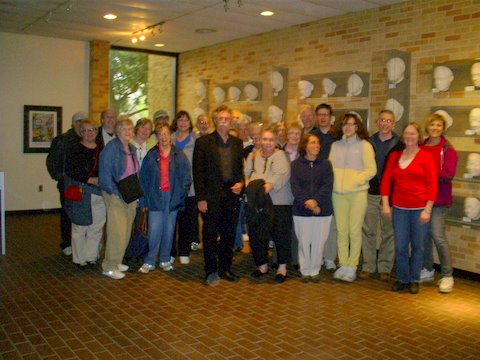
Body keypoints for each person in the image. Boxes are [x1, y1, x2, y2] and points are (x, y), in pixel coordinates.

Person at [381, 122, 438, 294]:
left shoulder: (426, 156)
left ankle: (414, 279)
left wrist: (427, 209)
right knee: (400, 246)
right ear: (403, 136)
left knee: (418, 246)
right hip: (399, 208)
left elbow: (432, 185)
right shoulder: (395, 156)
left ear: (418, 136)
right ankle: (402, 278)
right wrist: (385, 204)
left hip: (420, 209)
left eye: (413, 134)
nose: (409, 137)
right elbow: (385, 181)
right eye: (406, 134)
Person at [193, 105, 244, 285]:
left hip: (231, 196)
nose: (223, 122)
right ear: (215, 121)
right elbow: (197, 173)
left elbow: (239, 170)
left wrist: (241, 184)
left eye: (226, 119)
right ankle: (210, 271)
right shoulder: (203, 143)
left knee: (229, 235)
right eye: (220, 119)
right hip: (211, 197)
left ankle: (225, 268)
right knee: (210, 235)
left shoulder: (237, 143)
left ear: (231, 121)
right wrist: (201, 198)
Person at [329, 113, 376, 282]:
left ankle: (352, 266)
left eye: (352, 124)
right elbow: (330, 169)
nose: (348, 127)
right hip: (338, 194)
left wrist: (356, 180)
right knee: (342, 231)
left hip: (357, 194)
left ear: (357, 127)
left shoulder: (364, 146)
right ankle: (343, 264)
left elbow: (371, 170)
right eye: (345, 124)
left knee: (355, 231)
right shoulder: (335, 146)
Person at [138, 123, 191, 274]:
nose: (164, 137)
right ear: (156, 136)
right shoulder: (151, 155)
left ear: (170, 135)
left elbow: (186, 177)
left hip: (172, 197)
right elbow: (144, 180)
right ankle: (150, 260)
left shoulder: (178, 154)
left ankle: (165, 259)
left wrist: (181, 195)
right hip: (155, 197)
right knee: (154, 230)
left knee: (169, 230)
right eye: (160, 134)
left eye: (166, 133)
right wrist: (144, 201)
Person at [245, 129, 293, 283]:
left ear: (275, 141)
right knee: (257, 235)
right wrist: (249, 187)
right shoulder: (253, 156)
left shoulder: (280, 156)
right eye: (264, 139)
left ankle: (282, 268)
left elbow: (277, 178)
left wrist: (256, 190)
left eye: (271, 140)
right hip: (257, 203)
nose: (267, 143)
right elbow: (246, 174)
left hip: (279, 203)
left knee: (281, 235)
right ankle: (262, 265)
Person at [360, 110, 401, 281]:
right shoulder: (368, 142)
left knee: (388, 232)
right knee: (368, 231)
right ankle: (368, 266)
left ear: (394, 124)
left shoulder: (400, 144)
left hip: (391, 197)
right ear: (377, 122)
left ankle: (384, 267)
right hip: (370, 193)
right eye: (382, 120)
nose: (385, 123)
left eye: (389, 121)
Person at [420, 113, 458, 293]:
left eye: (438, 126)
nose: (435, 128)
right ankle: (427, 269)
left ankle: (447, 275)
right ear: (428, 127)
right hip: (421, 198)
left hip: (439, 200)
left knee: (438, 236)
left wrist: (428, 173)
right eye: (432, 125)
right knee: (424, 237)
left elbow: (448, 174)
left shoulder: (448, 149)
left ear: (443, 129)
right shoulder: (422, 146)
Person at [99, 118, 139, 280]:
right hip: (116, 194)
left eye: (130, 128)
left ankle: (116, 261)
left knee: (126, 230)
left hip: (129, 193)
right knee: (117, 231)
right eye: (124, 128)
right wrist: (114, 192)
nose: (128, 131)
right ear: (117, 131)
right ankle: (109, 266)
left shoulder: (130, 148)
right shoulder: (111, 148)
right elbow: (105, 175)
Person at [291, 133, 333, 282]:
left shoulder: (326, 164)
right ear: (305, 146)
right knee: (304, 241)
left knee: (318, 242)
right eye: (313, 143)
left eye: (318, 143)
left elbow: (327, 186)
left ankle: (315, 270)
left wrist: (316, 201)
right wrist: (308, 203)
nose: (317, 146)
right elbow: (295, 187)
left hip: (323, 210)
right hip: (302, 210)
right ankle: (305, 269)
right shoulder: (296, 165)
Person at [64, 119, 105, 268]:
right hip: (81, 192)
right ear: (81, 132)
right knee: (80, 226)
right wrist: (89, 179)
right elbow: (70, 170)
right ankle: (79, 259)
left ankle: (91, 256)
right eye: (86, 130)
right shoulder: (74, 149)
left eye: (92, 130)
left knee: (96, 227)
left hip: (99, 193)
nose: (90, 133)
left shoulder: (101, 149)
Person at [46, 111, 88, 256]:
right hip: (68, 184)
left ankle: (82, 243)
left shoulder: (88, 139)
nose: (81, 125)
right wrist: (61, 178)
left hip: (85, 185)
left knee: (82, 214)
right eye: (78, 122)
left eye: (84, 122)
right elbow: (52, 161)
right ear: (73, 124)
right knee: (67, 214)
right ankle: (67, 243)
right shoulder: (62, 140)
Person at [170, 111, 198, 264]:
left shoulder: (196, 139)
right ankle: (171, 252)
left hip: (190, 187)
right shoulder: (170, 138)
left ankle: (184, 251)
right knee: (172, 221)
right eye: (180, 120)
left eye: (186, 120)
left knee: (187, 222)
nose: (183, 123)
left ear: (190, 123)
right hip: (173, 187)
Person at [315, 103, 338, 271]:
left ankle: (330, 257)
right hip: (315, 185)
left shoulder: (337, 135)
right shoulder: (311, 136)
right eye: (320, 114)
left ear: (331, 117)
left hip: (334, 184)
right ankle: (317, 255)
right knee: (316, 223)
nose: (323, 117)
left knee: (332, 224)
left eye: (326, 114)